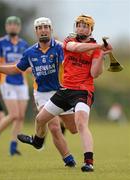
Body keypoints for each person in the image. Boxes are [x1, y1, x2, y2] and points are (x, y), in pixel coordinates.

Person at [16, 14, 112, 172]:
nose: (81, 28)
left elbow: (95, 73)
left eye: (85, 26)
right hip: (65, 90)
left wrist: (101, 55)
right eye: (79, 25)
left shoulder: (95, 49)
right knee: (40, 119)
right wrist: (98, 46)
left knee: (80, 123)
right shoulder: (69, 41)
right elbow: (75, 48)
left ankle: (89, 162)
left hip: (83, 91)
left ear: (90, 29)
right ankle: (38, 141)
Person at [0, 17, 76, 167]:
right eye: (40, 28)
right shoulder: (30, 52)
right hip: (42, 94)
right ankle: (68, 160)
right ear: (36, 31)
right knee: (53, 127)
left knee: (73, 129)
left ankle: (38, 141)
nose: (43, 30)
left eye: (46, 26)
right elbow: (16, 68)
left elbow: (74, 57)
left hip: (62, 91)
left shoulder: (60, 48)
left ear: (51, 29)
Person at [0, 16, 29, 156]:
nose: (12, 27)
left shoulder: (24, 44)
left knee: (20, 116)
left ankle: (13, 146)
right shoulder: (0, 43)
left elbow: (28, 64)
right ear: (6, 27)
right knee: (13, 114)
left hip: (22, 82)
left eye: (15, 24)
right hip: (7, 81)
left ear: (19, 27)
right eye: (10, 24)